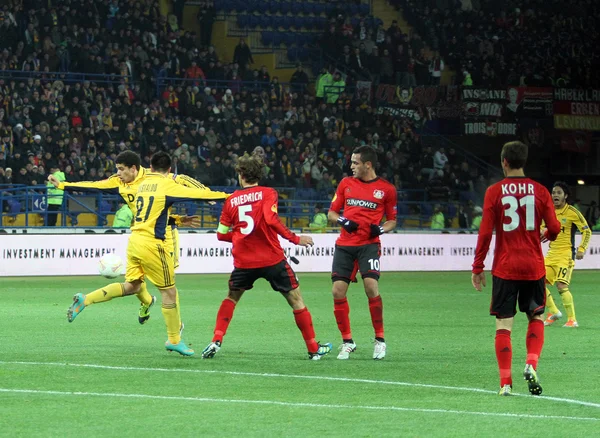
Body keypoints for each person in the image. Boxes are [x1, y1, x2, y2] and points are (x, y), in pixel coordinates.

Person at [67, 152, 229, 355]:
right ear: (169, 170)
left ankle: (87, 299)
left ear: (148, 168)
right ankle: (174, 337)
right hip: (154, 243)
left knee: (133, 285)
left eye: (121, 169)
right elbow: (199, 194)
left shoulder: (141, 186)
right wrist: (230, 197)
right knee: (169, 291)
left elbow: (152, 211)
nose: (118, 174)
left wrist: (63, 185)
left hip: (135, 239)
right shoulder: (166, 183)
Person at [49, 151, 207, 326]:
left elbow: (181, 179)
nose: (118, 173)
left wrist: (206, 193)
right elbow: (93, 186)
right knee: (151, 286)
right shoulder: (118, 181)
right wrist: (63, 185)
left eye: (121, 169)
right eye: (117, 169)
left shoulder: (153, 176)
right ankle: (172, 326)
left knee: (148, 285)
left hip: (166, 233)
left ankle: (150, 306)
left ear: (133, 169)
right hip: (143, 235)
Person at [201, 153, 332, 360]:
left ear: (241, 175)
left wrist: (239, 235)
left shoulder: (231, 201)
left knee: (231, 298)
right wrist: (295, 239)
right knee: (296, 300)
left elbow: (220, 234)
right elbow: (271, 220)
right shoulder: (269, 193)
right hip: (272, 259)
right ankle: (313, 348)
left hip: (244, 262)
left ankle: (216, 340)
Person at [471, 141, 561, 396]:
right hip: (533, 266)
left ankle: (505, 384)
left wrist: (477, 266)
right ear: (524, 161)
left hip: (505, 267)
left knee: (503, 325)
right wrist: (545, 233)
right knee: (536, 317)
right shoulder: (540, 191)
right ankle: (531, 363)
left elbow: (486, 232)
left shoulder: (494, 191)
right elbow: (554, 228)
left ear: (504, 162)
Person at [327, 146, 398, 360]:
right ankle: (347, 342)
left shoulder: (386, 189)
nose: (351, 166)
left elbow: (392, 221)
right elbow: (331, 213)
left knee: (371, 286)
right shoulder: (345, 184)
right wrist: (343, 221)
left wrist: (381, 229)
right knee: (338, 291)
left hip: (368, 245)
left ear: (368, 164)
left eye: (355, 162)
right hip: (345, 245)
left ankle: (380, 340)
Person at [542, 182, 591, 328]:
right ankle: (553, 312)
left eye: (559, 192)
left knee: (561, 285)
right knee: (536, 282)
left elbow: (586, 230)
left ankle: (572, 320)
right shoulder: (548, 211)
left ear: (565, 196)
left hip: (565, 254)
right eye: (553, 192)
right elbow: (542, 227)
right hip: (551, 254)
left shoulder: (572, 212)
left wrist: (582, 248)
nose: (555, 195)